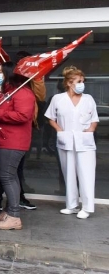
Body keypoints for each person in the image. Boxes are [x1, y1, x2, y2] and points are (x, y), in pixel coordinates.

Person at [45, 66, 99, 219]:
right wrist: (59, 130)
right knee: (68, 173)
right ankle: (72, 205)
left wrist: (91, 129)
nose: (82, 84)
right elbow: (50, 118)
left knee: (86, 174)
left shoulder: (88, 99)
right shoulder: (58, 99)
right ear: (69, 83)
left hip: (85, 142)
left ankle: (87, 208)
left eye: (83, 81)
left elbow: (94, 119)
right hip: (66, 140)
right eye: (79, 81)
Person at [0, 61, 35, 230]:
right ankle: (9, 211)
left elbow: (23, 115)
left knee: (7, 176)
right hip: (4, 140)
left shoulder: (23, 93)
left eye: (0, 71)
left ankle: (14, 216)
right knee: (10, 176)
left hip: (13, 142)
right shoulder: (7, 92)